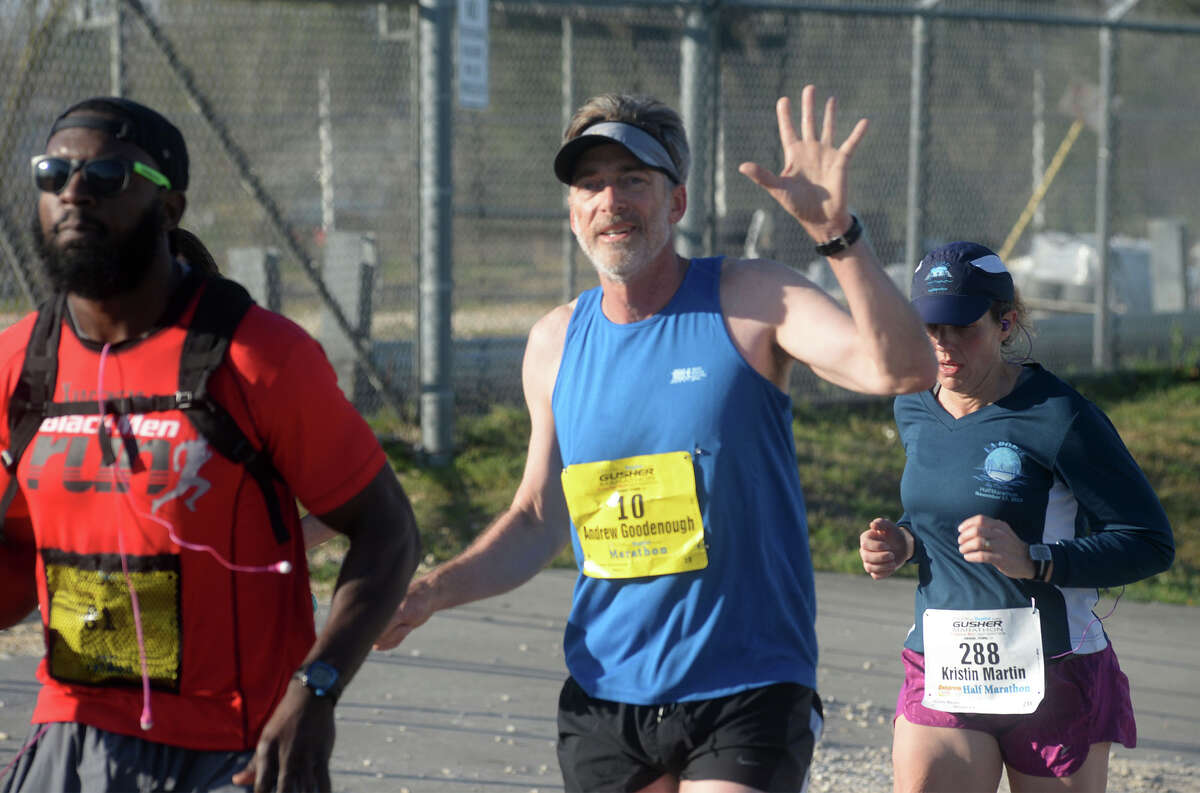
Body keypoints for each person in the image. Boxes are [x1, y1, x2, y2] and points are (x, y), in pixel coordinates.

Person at [371, 85, 935, 792]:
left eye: (633, 179)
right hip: (606, 690)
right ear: (573, 211)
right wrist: (428, 592)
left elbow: (905, 368)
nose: (611, 199)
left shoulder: (752, 299)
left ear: (676, 202)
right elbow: (539, 517)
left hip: (748, 684)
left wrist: (838, 234)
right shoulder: (553, 343)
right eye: (590, 184)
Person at [0, 96, 420, 793]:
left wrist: (316, 688)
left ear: (170, 207)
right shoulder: (21, 363)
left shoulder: (260, 357)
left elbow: (389, 532)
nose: (73, 191)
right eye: (54, 173)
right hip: (74, 735)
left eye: (106, 175)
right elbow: (16, 556)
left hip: (238, 750)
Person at [858, 241, 1174, 793]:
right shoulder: (913, 404)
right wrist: (904, 542)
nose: (943, 344)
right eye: (930, 328)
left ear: (1006, 324)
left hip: (1053, 672)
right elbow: (939, 512)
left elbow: (1148, 541)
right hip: (945, 665)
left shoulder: (1059, 415)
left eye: (963, 327)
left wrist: (1038, 560)